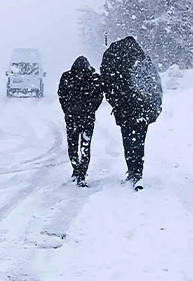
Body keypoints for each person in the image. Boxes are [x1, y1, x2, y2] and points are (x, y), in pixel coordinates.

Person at [100, 36, 163, 191]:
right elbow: (155, 85)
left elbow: (109, 85)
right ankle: (138, 171)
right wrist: (153, 107)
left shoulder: (117, 63)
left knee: (128, 141)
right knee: (139, 142)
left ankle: (132, 169)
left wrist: (117, 103)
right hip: (143, 111)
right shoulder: (142, 61)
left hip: (126, 111)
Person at [58, 56, 103, 187]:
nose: (80, 75)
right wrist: (67, 110)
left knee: (85, 147)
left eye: (82, 72)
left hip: (86, 118)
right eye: (78, 72)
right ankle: (76, 169)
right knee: (72, 147)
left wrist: (90, 109)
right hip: (72, 118)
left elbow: (99, 96)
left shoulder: (94, 79)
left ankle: (82, 174)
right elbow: (62, 95)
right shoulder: (67, 78)